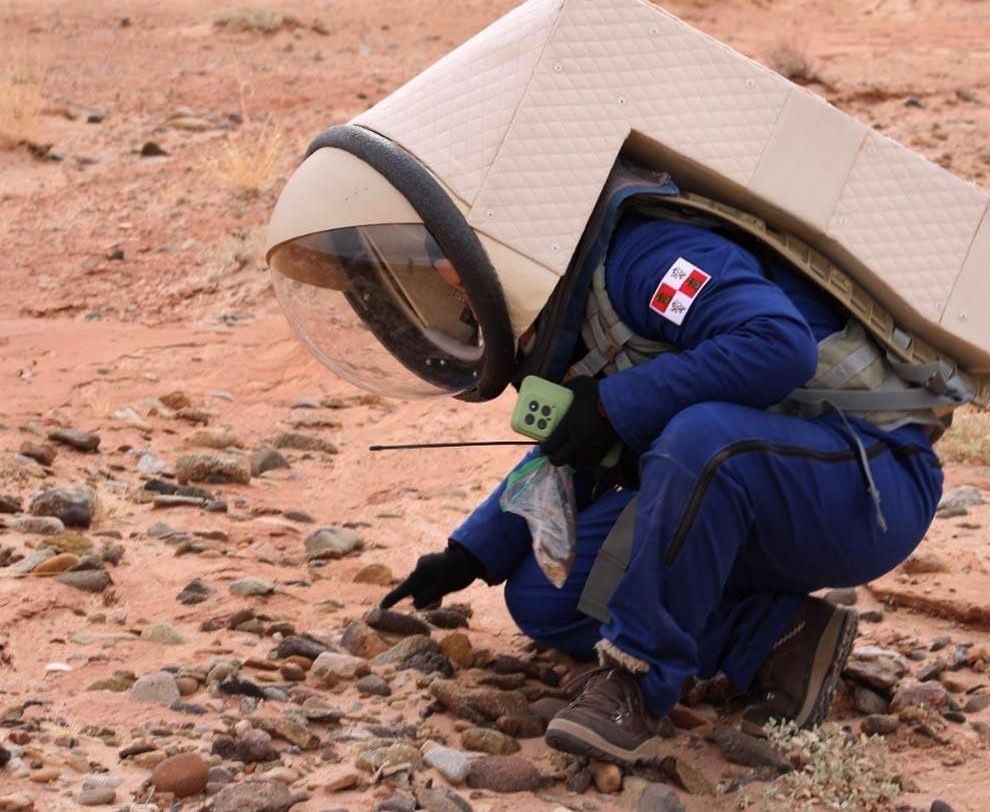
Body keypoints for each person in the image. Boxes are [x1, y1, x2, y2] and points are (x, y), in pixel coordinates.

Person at [378, 207, 945, 765]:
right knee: (545, 597)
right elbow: (575, 448)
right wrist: (471, 552)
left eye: (450, 263)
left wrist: (607, 405)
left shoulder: (644, 258)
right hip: (754, 492)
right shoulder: (567, 309)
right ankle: (780, 639)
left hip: (869, 485)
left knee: (700, 440)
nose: (451, 286)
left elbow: (778, 344)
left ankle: (636, 683)